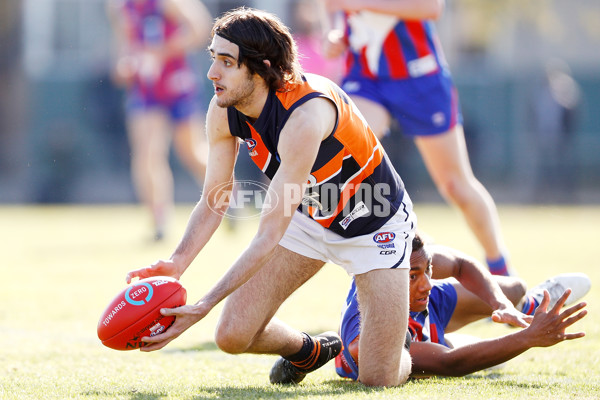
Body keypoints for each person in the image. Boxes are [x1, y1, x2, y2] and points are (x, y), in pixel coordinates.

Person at [126, 7, 418, 387]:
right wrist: (177, 262)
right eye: (213, 58)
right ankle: (309, 350)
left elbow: (266, 237)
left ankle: (407, 344)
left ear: (261, 67)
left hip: (374, 223)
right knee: (231, 336)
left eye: (227, 62)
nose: (212, 73)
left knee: (376, 378)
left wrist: (202, 305)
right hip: (310, 216)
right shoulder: (223, 109)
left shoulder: (306, 116)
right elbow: (214, 200)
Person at [320, 0, 513, 276]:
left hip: (420, 76)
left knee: (455, 185)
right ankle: (402, 243)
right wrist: (332, 32)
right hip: (364, 75)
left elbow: (431, 7)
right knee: (344, 156)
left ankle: (502, 270)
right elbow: (330, 5)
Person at [335, 233, 590, 379]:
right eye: (413, 276)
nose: (427, 284)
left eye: (428, 271)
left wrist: (501, 304)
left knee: (515, 290)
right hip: (408, 335)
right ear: (388, 278)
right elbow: (450, 363)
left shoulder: (407, 261)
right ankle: (445, 338)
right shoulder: (372, 331)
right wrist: (528, 338)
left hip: (416, 314)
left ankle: (527, 307)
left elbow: (460, 264)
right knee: (454, 353)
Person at [106, 0, 212, 240]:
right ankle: (159, 223)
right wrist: (124, 66)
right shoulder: (120, 6)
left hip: (177, 83)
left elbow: (199, 28)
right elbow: (123, 44)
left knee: (191, 152)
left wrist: (161, 52)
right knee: (147, 154)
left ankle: (228, 196)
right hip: (145, 90)